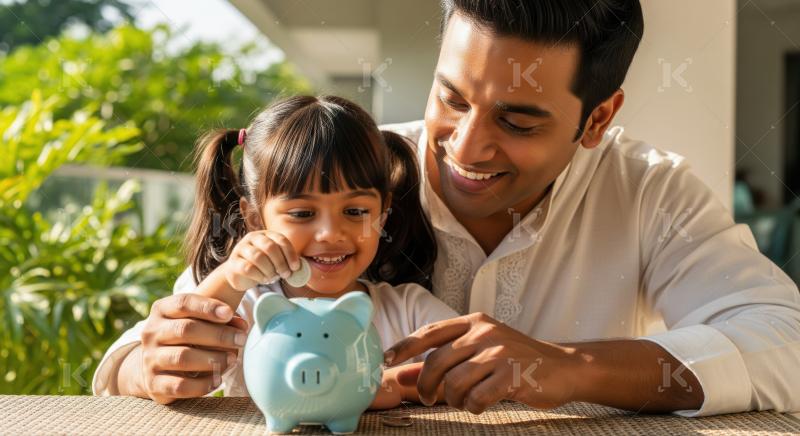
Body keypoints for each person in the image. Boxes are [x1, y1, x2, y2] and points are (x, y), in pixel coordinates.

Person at [375, 0, 798, 417]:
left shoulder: (649, 192)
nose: (465, 147)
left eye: (516, 124)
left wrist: (570, 366)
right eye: (453, 100)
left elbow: (786, 346)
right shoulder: (348, 172)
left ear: (597, 120)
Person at [92, 95, 458, 407]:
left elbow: (479, 369)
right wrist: (229, 280)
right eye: (302, 213)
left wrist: (396, 386)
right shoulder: (239, 302)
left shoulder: (408, 311)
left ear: (383, 213)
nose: (331, 233)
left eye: (356, 211)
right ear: (254, 218)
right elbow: (118, 373)